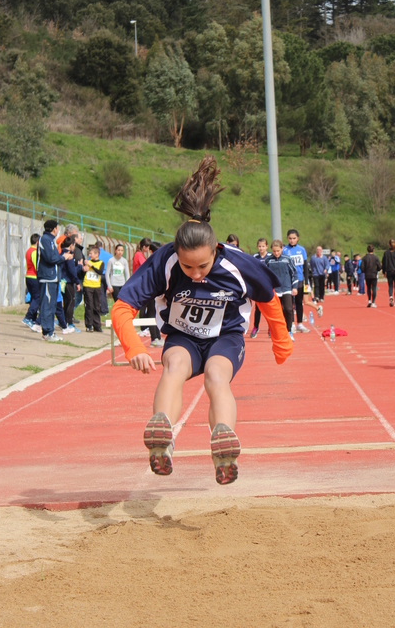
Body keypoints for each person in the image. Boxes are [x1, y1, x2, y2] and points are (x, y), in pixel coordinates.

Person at [111, 156, 292, 486]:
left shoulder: (238, 264)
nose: (194, 274)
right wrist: (132, 346)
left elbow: (268, 299)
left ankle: (224, 449)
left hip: (226, 337)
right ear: (176, 255)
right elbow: (123, 306)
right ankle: (162, 439)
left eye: (203, 267)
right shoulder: (164, 260)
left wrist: (282, 342)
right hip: (183, 337)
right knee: (174, 365)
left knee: (215, 374)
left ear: (216, 252)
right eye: (187, 267)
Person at [36, 219, 73, 342]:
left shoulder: (51, 240)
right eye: (57, 228)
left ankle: (49, 332)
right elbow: (51, 258)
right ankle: (47, 332)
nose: (58, 231)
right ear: (54, 229)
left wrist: (61, 257)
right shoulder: (46, 240)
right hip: (47, 277)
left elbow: (55, 257)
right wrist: (64, 257)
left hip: (52, 277)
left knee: (52, 306)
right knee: (47, 305)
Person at [265, 240, 298, 342]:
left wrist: (295, 287)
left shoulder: (287, 260)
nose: (276, 253)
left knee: (288, 309)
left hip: (287, 289)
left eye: (278, 251)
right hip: (275, 290)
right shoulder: (268, 261)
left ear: (282, 249)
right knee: (275, 312)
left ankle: (289, 331)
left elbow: (294, 274)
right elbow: (265, 276)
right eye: (274, 251)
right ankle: (274, 331)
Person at [283, 229, 309, 333]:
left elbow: (305, 266)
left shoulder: (302, 250)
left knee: (299, 302)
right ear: (287, 238)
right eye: (290, 238)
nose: (292, 240)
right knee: (290, 304)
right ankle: (292, 324)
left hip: (300, 280)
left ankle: (300, 324)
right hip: (289, 281)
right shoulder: (284, 250)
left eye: (294, 238)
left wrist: (306, 281)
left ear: (297, 238)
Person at [250, 238, 272, 338]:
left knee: (268, 308)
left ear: (267, 246)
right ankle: (255, 327)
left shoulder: (271, 256)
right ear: (257, 247)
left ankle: (270, 328)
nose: (261, 248)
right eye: (259, 246)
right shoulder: (255, 256)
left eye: (263, 246)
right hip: (258, 285)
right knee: (258, 308)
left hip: (268, 285)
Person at [59, 235, 81, 329]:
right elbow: (72, 271)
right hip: (68, 281)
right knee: (71, 301)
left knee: (66, 301)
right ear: (71, 245)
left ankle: (63, 322)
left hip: (61, 281)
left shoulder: (60, 254)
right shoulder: (69, 255)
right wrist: (79, 267)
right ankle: (69, 323)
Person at [82, 245, 104, 332]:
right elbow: (82, 273)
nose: (90, 255)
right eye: (89, 253)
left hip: (96, 287)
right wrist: (83, 269)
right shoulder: (87, 262)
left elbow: (100, 272)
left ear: (97, 254)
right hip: (88, 286)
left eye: (91, 253)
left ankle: (97, 325)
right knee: (89, 306)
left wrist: (92, 266)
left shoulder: (100, 263)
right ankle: (89, 325)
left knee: (96, 306)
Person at [22, 233, 40, 328]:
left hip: (28, 275)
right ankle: (28, 317)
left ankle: (33, 319)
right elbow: (37, 265)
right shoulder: (34, 252)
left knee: (34, 298)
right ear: (37, 242)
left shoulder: (28, 251)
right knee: (37, 298)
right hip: (34, 277)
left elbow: (27, 265)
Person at [96, 241, 112, 315]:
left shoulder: (96, 254)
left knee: (101, 292)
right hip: (107, 275)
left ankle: (102, 309)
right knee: (104, 292)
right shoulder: (109, 255)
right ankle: (105, 308)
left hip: (99, 274)